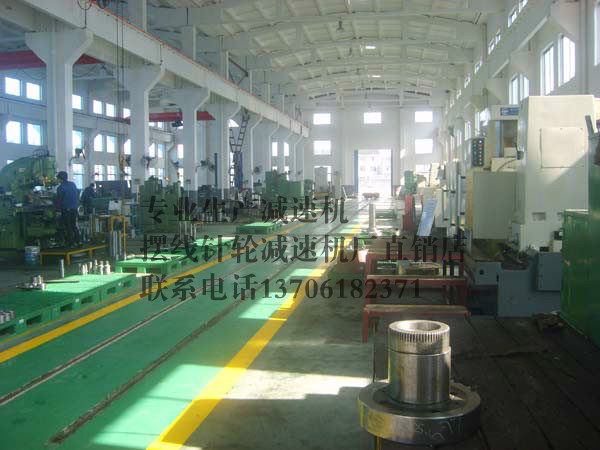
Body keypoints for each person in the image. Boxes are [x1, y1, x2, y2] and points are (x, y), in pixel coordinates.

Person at [56, 171, 81, 245]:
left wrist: (57, 209)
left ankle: (70, 242)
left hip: (66, 209)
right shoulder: (72, 184)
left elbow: (59, 200)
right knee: (73, 225)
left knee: (68, 226)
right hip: (74, 208)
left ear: (60, 179)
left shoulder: (60, 187)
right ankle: (78, 241)